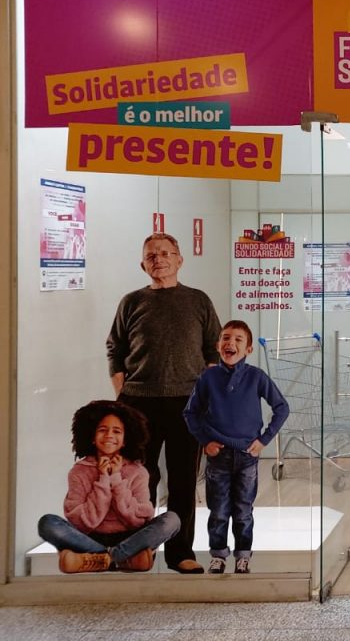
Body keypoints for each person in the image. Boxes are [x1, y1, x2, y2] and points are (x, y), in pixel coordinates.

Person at [106, 232, 221, 574]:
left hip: (188, 403)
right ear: (143, 264)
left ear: (179, 260)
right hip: (139, 403)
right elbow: (115, 348)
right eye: (151, 255)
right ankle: (139, 550)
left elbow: (213, 349)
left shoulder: (198, 300)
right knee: (140, 479)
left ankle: (180, 553)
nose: (159, 259)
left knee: (183, 480)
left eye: (165, 253)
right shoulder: (131, 302)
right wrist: (122, 391)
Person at [184, 320, 290, 575]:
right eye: (226, 338)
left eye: (238, 340)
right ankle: (218, 555)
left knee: (243, 511)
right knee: (218, 511)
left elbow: (281, 408)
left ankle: (243, 555)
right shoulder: (208, 377)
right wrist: (205, 441)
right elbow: (190, 413)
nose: (230, 343)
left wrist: (264, 440)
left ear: (249, 349)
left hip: (247, 457)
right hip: (218, 457)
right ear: (218, 345)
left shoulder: (257, 377)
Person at [38, 400, 181, 574]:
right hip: (89, 538)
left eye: (117, 431)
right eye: (102, 430)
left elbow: (138, 520)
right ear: (92, 437)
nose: (109, 435)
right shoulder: (78, 471)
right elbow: (82, 522)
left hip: (131, 538)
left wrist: (116, 478)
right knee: (47, 523)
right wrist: (103, 478)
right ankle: (124, 559)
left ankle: (101, 559)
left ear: (125, 440)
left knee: (172, 520)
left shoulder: (138, 471)